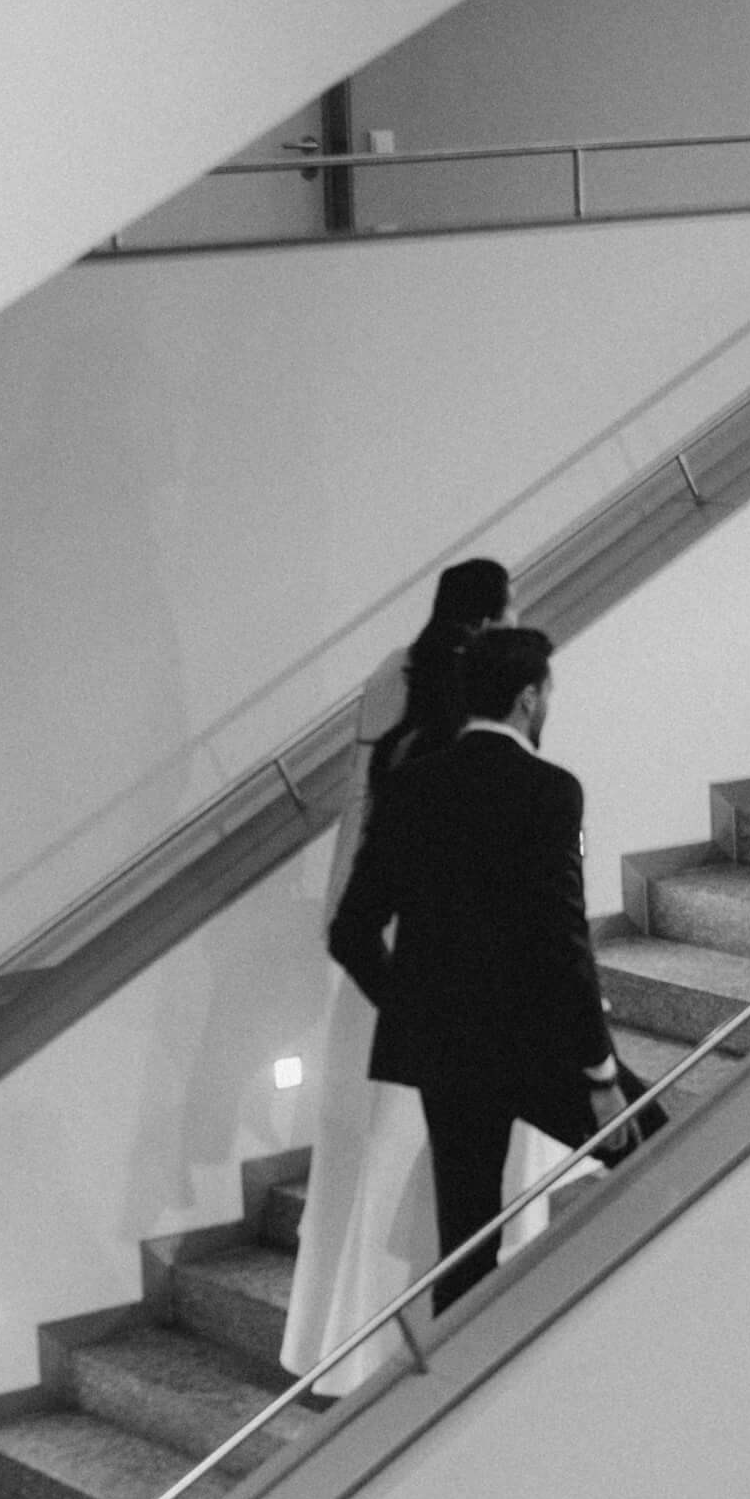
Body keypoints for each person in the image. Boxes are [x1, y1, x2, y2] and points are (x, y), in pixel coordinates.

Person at [282, 561, 575, 1391]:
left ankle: (343, 1349)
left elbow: (357, 868)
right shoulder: (479, 733)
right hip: (459, 974)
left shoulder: (388, 680)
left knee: (368, 1158)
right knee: (456, 1183)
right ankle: (464, 1349)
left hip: (383, 973)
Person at [330, 626, 644, 1316]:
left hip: (448, 1049)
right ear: (529, 699)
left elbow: (351, 933)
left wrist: (417, 1008)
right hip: (533, 1043)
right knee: (662, 1148)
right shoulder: (550, 790)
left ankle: (452, 1397)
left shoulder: (411, 786)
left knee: (466, 1243)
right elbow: (563, 944)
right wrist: (599, 1075)